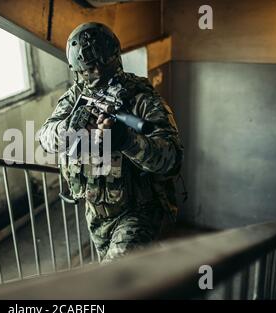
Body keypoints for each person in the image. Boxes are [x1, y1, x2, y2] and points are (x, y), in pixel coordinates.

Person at [38, 22, 183, 263]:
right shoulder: (77, 96)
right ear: (77, 70)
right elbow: (43, 137)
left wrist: (126, 140)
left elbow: (172, 160)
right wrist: (67, 127)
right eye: (87, 70)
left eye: (100, 65)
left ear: (114, 58)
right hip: (95, 214)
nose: (94, 74)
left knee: (112, 281)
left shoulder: (142, 100)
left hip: (138, 211)